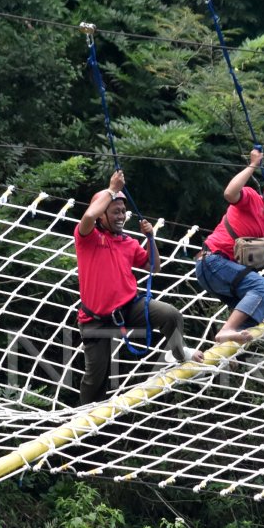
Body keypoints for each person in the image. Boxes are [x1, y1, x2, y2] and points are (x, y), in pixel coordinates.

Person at [74, 169, 201, 404]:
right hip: (96, 318)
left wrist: (151, 238)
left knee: (170, 315)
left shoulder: (128, 242)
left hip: (128, 307)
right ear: (102, 214)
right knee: (96, 376)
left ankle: (178, 352)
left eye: (123, 211)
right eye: (115, 211)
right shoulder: (88, 238)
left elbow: (154, 267)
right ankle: (84, 419)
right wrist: (111, 190)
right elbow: (88, 217)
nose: (121, 215)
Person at [194, 148, 264, 344]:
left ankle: (224, 344)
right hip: (212, 262)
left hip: (222, 275)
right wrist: (253, 165)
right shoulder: (252, 200)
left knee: (257, 312)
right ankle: (227, 330)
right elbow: (229, 193)